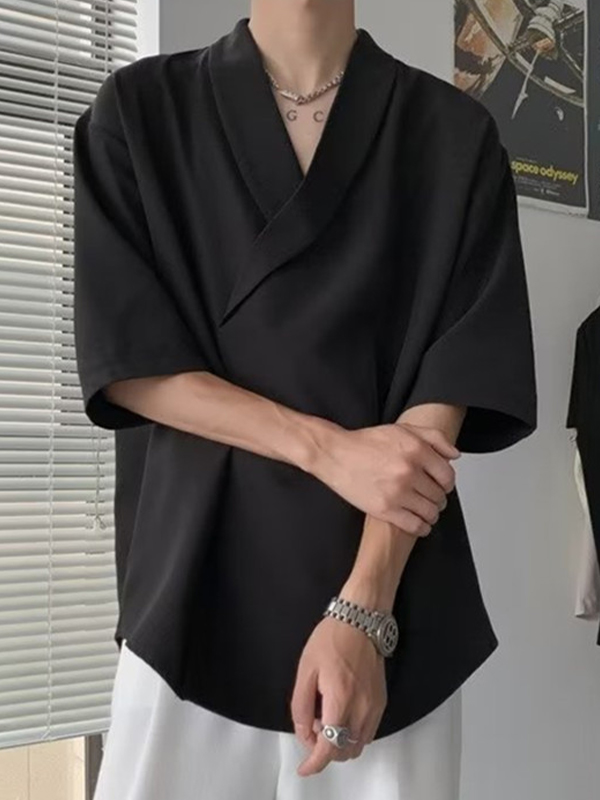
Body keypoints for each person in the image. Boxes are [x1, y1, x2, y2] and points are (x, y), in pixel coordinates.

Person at [72, 1, 538, 798]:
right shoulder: (140, 112)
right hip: (194, 600)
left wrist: (364, 612)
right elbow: (129, 362)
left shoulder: (455, 136)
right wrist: (328, 450)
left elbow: (449, 391)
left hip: (391, 615)